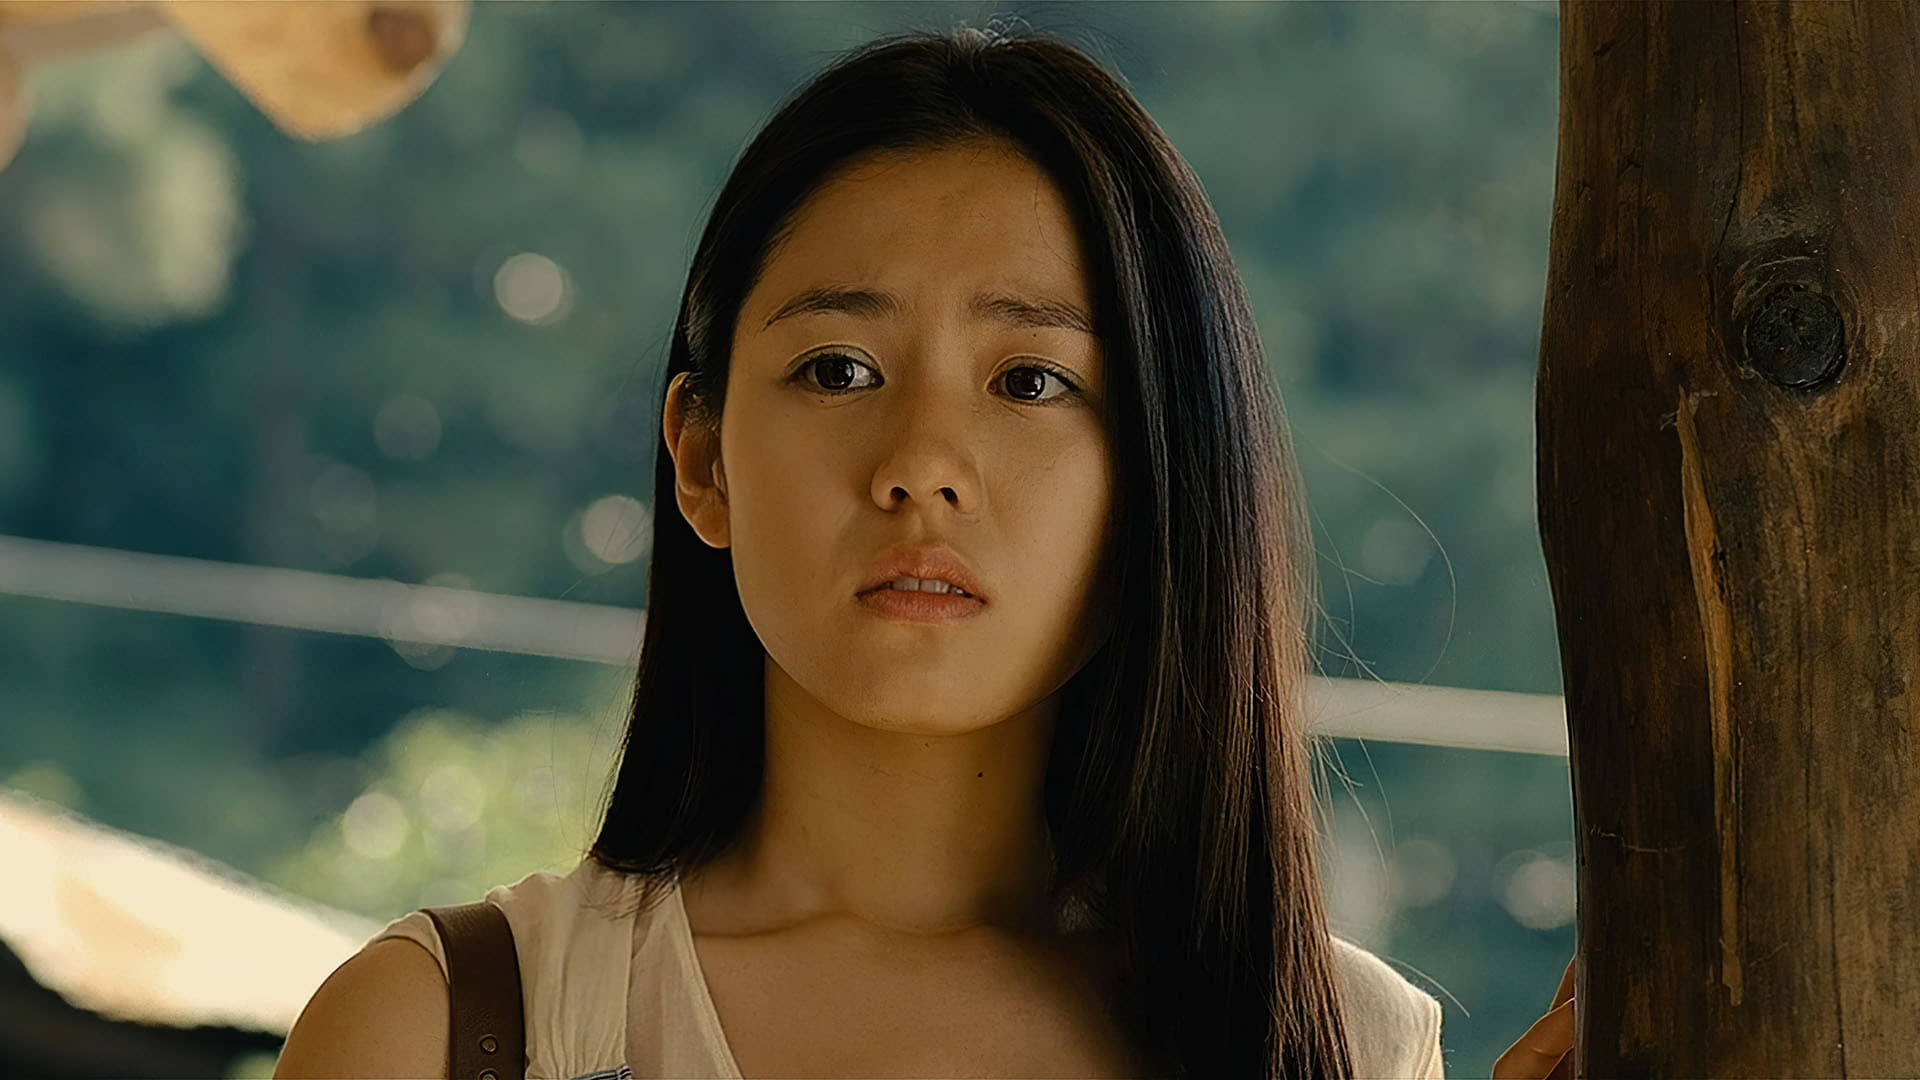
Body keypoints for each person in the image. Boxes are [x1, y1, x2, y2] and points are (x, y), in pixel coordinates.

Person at [274, 23, 1467, 1080]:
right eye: (838, 370)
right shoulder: (442, 1032)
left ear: (1165, 480)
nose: (921, 464)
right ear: (702, 460)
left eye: (1031, 382)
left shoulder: (1345, 1047)